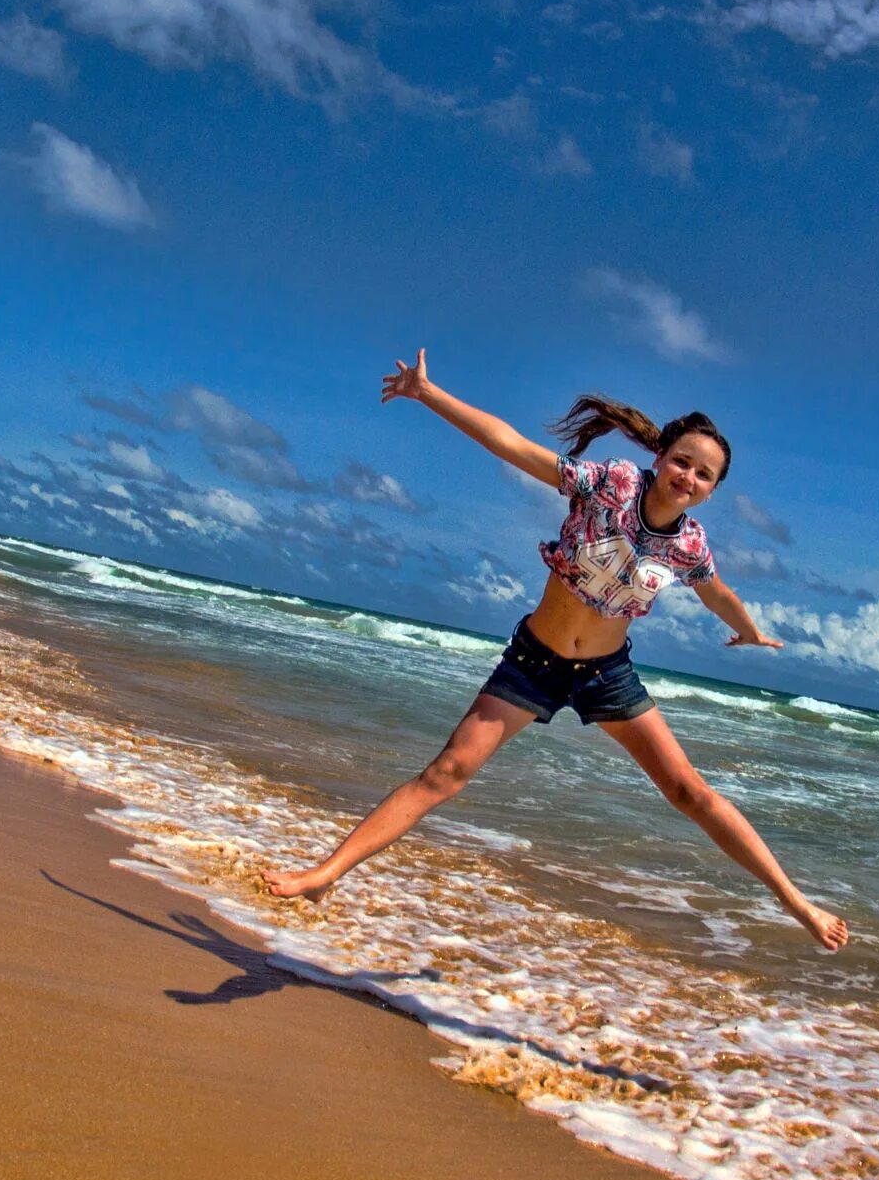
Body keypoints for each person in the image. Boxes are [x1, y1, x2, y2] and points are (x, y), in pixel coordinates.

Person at [263, 351, 849, 951]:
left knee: (688, 792)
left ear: (712, 490)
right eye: (683, 462)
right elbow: (514, 448)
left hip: (606, 676)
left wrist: (749, 630)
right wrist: (429, 395)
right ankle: (326, 874)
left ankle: (795, 902)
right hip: (536, 662)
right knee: (447, 771)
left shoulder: (691, 545)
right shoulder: (611, 484)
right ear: (661, 457)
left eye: (704, 475)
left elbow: (717, 594)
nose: (688, 477)